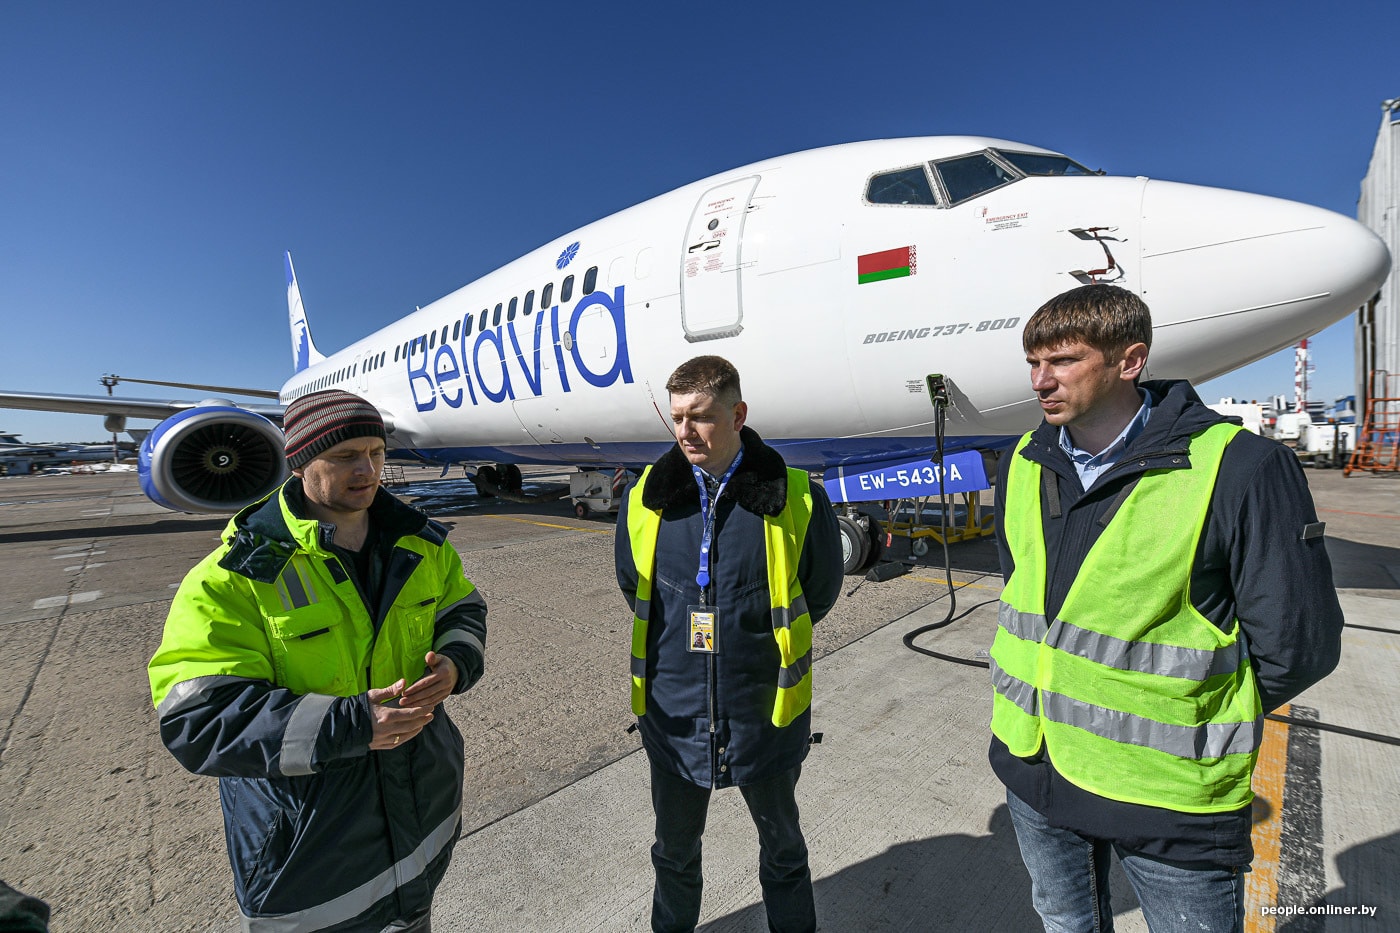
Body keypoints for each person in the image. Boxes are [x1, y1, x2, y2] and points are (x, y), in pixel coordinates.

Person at [989, 284, 1343, 932]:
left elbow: (1299, 644)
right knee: (1063, 921)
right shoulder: (1022, 461)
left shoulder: (1240, 468)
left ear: (1129, 361)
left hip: (1169, 798)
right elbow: (1029, 593)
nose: (1041, 380)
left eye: (1062, 360)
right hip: (1034, 768)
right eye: (1033, 362)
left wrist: (1186, 715)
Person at [148, 390, 487, 933]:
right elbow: (198, 720)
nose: (368, 469)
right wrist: (352, 725)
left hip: (422, 810)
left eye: (376, 452)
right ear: (301, 460)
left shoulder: (422, 545)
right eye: (345, 455)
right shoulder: (235, 576)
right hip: (309, 846)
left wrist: (454, 661)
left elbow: (463, 608)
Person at [615, 355, 843, 933]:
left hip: (763, 713)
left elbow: (818, 590)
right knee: (673, 853)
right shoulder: (646, 498)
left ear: (738, 414)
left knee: (784, 851)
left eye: (702, 417)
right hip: (675, 715)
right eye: (677, 417)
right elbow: (633, 586)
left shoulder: (796, 496)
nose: (686, 431)